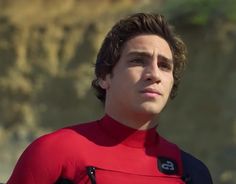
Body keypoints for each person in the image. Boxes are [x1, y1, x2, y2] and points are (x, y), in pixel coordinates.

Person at [7, 13, 213, 184]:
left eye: (165, 65)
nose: (154, 74)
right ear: (105, 77)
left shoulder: (192, 173)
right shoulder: (53, 153)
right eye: (138, 61)